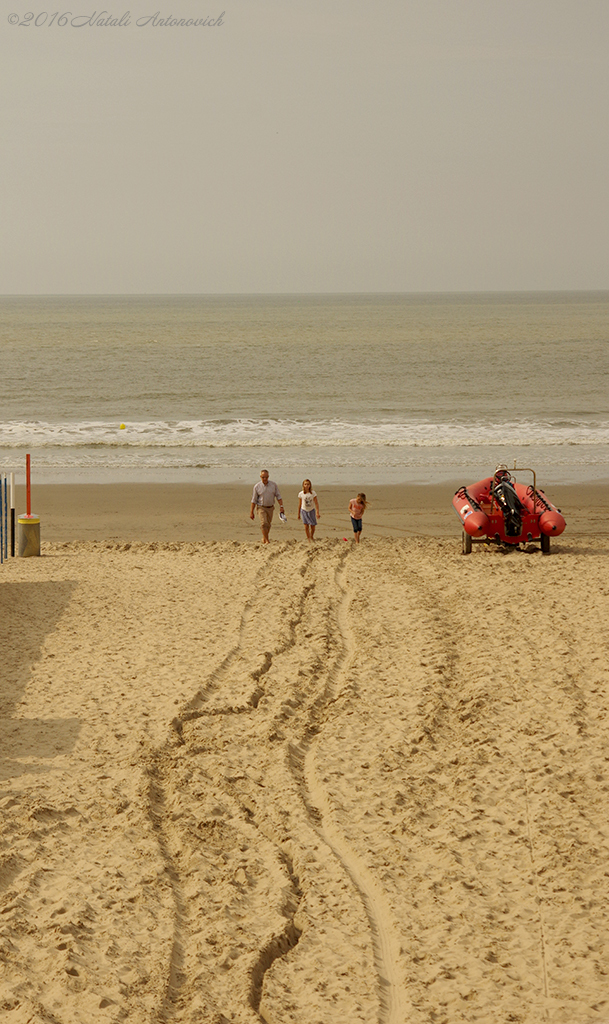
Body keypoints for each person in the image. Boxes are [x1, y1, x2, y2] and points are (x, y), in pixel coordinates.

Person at [250, 469, 285, 544]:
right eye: (263, 477)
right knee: (264, 523)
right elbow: (254, 500)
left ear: (268, 476)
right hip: (261, 507)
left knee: (268, 525)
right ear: (260, 477)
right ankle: (267, 540)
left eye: (266, 477)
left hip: (270, 507)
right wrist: (251, 512)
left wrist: (281, 506)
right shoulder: (257, 486)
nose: (265, 479)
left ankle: (264, 538)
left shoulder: (273, 485)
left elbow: (278, 496)